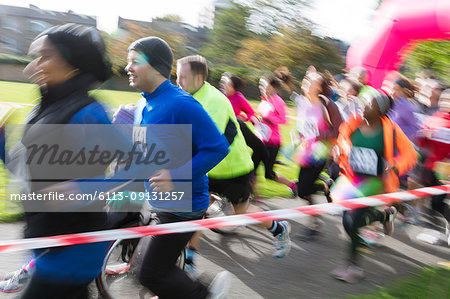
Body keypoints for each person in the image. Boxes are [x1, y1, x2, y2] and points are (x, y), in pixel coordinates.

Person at [0, 24, 113, 298]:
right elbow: (25, 171)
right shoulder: (44, 108)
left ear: (72, 64)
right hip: (47, 243)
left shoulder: (90, 113)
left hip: (72, 251)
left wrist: (79, 189)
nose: (33, 66)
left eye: (45, 56)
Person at [125, 37, 230, 299]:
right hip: (154, 198)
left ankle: (204, 294)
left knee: (151, 274)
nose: (127, 67)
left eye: (135, 62)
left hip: (182, 204)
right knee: (139, 266)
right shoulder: (142, 103)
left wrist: (177, 176)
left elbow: (217, 147)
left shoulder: (182, 104)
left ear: (156, 67)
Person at [176, 55, 291, 272]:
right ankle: (190, 260)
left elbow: (204, 140)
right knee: (197, 209)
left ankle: (278, 227)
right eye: (177, 76)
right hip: (206, 168)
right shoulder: (184, 95)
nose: (178, 82)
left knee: (242, 212)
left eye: (183, 77)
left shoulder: (214, 101)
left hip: (232, 168)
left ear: (199, 77)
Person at [330, 90, 417, 283]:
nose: (363, 105)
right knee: (346, 222)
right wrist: (338, 150)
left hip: (375, 182)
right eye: (363, 101)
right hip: (352, 179)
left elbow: (411, 155)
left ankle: (354, 267)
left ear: (380, 109)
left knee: (353, 222)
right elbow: (343, 143)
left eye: (368, 103)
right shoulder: (352, 124)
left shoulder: (391, 130)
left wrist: (395, 165)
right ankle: (385, 215)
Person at [293, 71, 343, 237]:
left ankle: (314, 224)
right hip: (306, 150)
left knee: (304, 187)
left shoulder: (325, 106)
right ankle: (325, 185)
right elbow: (304, 127)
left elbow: (336, 130)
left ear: (320, 88)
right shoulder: (303, 103)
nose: (308, 82)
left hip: (321, 151)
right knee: (301, 189)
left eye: (313, 81)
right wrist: (298, 136)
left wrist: (319, 135)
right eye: (307, 79)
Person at [220, 73, 270, 196]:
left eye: (226, 84)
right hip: (224, 131)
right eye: (223, 83)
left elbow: (251, 113)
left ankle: (252, 183)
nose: (223, 85)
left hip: (238, 127)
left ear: (233, 87)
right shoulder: (220, 96)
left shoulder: (239, 97)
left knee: (258, 150)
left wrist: (242, 118)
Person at [257, 74, 297, 194]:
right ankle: (250, 196)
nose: (261, 87)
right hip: (261, 140)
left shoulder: (278, 101)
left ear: (273, 87)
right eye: (260, 84)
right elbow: (261, 117)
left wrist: (269, 116)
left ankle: (293, 185)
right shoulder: (265, 100)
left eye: (264, 85)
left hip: (273, 143)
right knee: (251, 168)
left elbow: (284, 120)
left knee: (269, 174)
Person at [387, 75, 419, 142]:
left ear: (404, 91)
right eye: (392, 89)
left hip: (398, 144)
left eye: (397, 90)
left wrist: (397, 132)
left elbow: (414, 128)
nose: (393, 93)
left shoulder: (407, 107)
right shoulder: (391, 103)